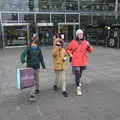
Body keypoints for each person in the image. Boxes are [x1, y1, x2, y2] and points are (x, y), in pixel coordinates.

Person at [66, 29, 94, 96]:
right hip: (75, 61)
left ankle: (77, 81)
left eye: (81, 34)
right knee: (78, 73)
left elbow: (91, 51)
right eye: (79, 34)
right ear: (76, 35)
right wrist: (70, 54)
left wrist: (89, 45)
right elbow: (67, 49)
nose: (80, 35)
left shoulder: (85, 42)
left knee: (80, 73)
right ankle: (78, 88)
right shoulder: (73, 42)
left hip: (83, 61)